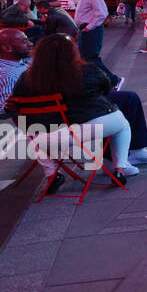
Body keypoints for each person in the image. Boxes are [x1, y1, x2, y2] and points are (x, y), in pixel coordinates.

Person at [8, 35, 136, 185]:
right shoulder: (88, 71)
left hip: (48, 137)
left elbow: (15, 106)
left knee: (30, 131)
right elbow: (106, 87)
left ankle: (51, 174)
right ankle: (120, 169)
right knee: (122, 123)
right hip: (90, 127)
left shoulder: (26, 79)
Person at [69, 0, 121, 90]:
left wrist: (90, 27)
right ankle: (93, 83)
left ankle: (113, 80)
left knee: (91, 58)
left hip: (91, 30)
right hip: (85, 29)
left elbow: (102, 12)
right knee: (85, 59)